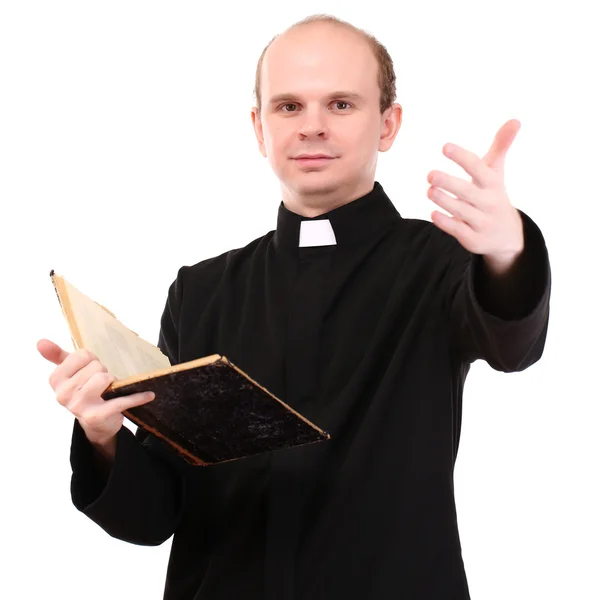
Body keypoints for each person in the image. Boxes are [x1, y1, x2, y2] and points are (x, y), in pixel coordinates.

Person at [37, 13, 551, 600]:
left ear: (388, 124)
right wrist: (103, 439)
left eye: (340, 104)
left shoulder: (440, 264)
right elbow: (155, 517)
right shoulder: (201, 291)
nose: (312, 127)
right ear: (259, 129)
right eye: (288, 107)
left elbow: (513, 345)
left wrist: (508, 249)